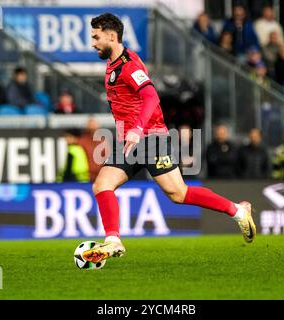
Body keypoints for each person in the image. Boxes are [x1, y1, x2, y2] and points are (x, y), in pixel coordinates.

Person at [82, 13, 256, 264]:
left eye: (96, 37)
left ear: (112, 35)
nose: (93, 42)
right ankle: (113, 240)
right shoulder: (113, 63)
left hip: (150, 137)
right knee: (102, 185)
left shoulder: (129, 65)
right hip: (129, 141)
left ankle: (238, 210)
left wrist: (136, 128)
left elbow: (152, 97)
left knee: (178, 193)